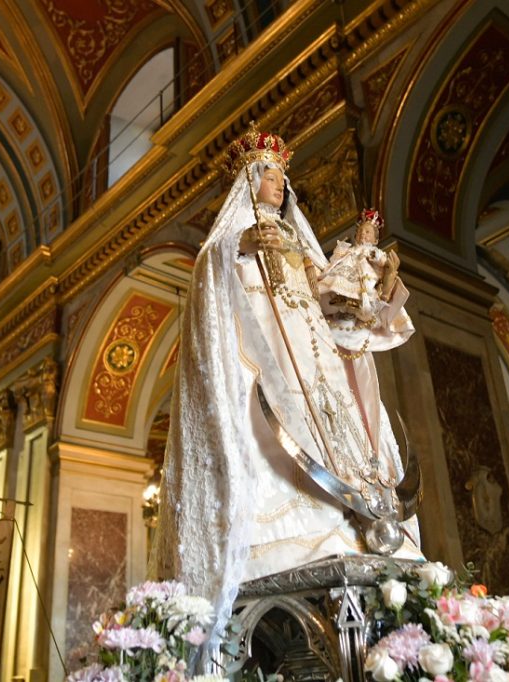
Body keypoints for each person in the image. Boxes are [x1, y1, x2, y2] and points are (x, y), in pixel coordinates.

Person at [155, 124, 421, 637]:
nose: (280, 185)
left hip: (315, 365)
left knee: (336, 434)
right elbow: (208, 277)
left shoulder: (298, 240)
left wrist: (371, 278)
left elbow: (332, 300)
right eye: (270, 175)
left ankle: (356, 518)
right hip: (266, 364)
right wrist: (239, 245)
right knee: (278, 438)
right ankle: (291, 532)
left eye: (282, 178)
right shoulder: (229, 241)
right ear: (250, 180)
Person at [317, 208, 414, 355]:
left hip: (365, 278)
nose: (363, 234)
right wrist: (339, 254)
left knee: (366, 293)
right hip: (347, 274)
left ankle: (355, 304)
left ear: (375, 240)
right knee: (336, 284)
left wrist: (376, 257)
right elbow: (336, 261)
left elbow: (383, 261)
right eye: (360, 231)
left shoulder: (372, 251)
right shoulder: (351, 250)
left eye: (367, 232)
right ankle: (340, 300)